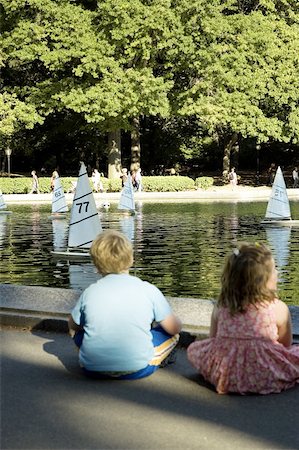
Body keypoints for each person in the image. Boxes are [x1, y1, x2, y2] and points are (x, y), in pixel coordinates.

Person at [187, 242, 299, 395]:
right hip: (264, 375)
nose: (277, 273)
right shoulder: (278, 308)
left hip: (227, 375)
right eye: (274, 270)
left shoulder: (222, 305)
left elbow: (213, 339)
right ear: (262, 281)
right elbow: (285, 344)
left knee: (194, 350)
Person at [68, 230, 182, 379]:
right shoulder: (147, 289)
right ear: (131, 259)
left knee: (78, 332)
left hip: (91, 368)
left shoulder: (90, 292)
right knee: (172, 334)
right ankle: (158, 359)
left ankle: (93, 357)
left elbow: (72, 324)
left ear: (96, 265)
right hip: (137, 368)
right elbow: (173, 328)